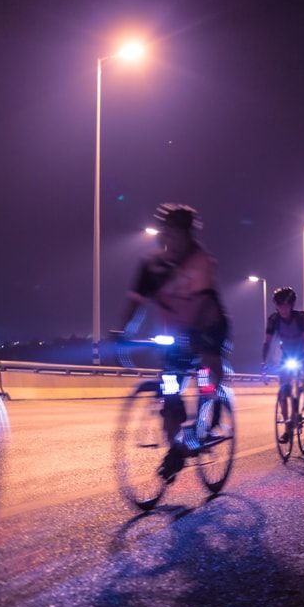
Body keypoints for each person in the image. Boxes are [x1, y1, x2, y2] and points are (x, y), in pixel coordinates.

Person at [120, 203, 230, 482]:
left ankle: (212, 407)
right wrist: (122, 333)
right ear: (164, 234)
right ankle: (176, 451)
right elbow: (136, 303)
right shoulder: (151, 265)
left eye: (182, 233)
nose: (176, 239)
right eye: (170, 232)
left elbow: (204, 303)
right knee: (170, 396)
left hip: (207, 327)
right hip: (177, 337)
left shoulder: (200, 260)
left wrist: (198, 341)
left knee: (207, 372)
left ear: (189, 235)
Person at [261, 287, 304, 444]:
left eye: (285, 305)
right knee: (284, 388)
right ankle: (287, 428)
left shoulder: (302, 318)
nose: (282, 309)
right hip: (287, 353)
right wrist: (263, 363)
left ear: (291, 305)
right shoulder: (274, 320)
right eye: (279, 305)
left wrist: (303, 361)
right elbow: (267, 342)